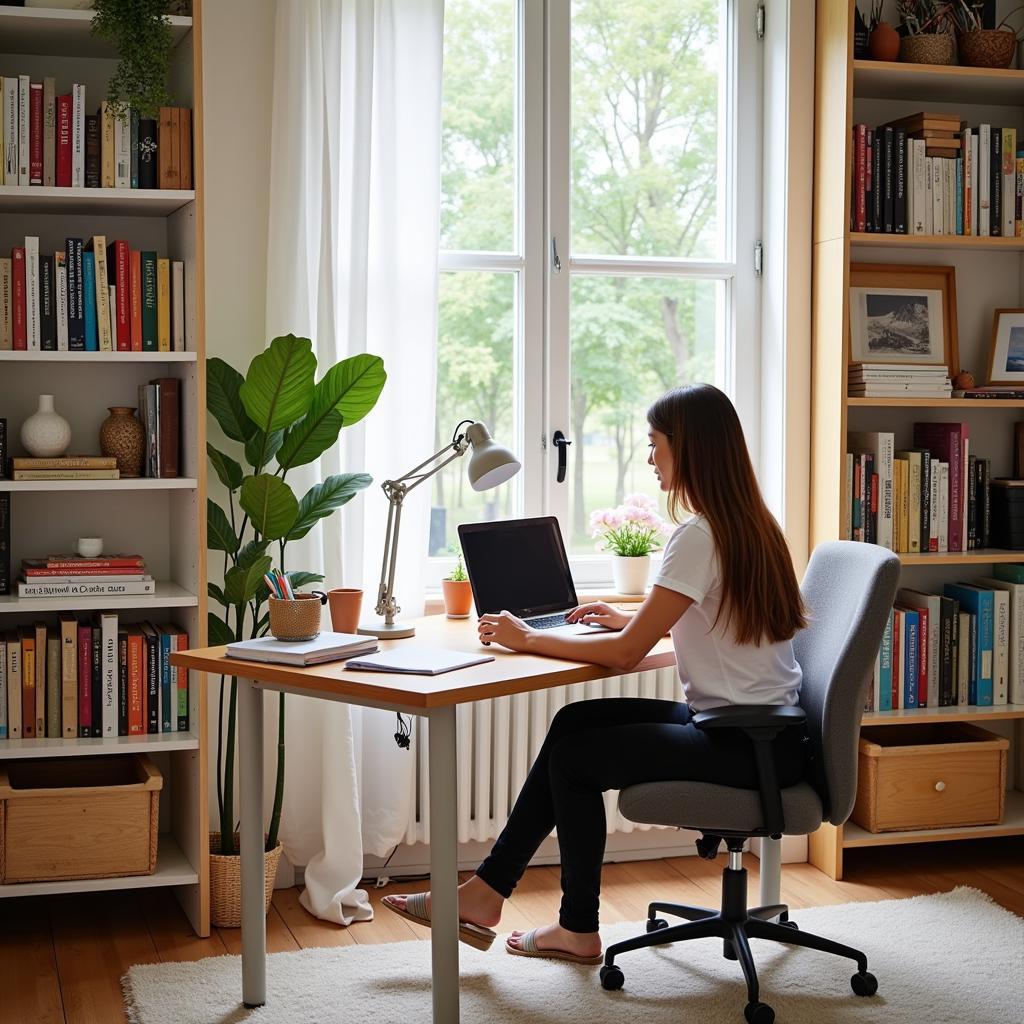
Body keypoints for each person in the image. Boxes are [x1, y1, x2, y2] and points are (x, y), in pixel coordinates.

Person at [383, 383, 808, 965]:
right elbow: (713, 618)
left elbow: (628, 656)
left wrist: (528, 637)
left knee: (574, 762)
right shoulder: (751, 524)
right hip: (765, 732)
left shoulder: (698, 536)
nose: (650, 457)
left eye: (655, 443)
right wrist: (627, 616)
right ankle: (483, 894)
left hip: (740, 742)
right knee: (574, 722)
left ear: (689, 449)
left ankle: (576, 928)